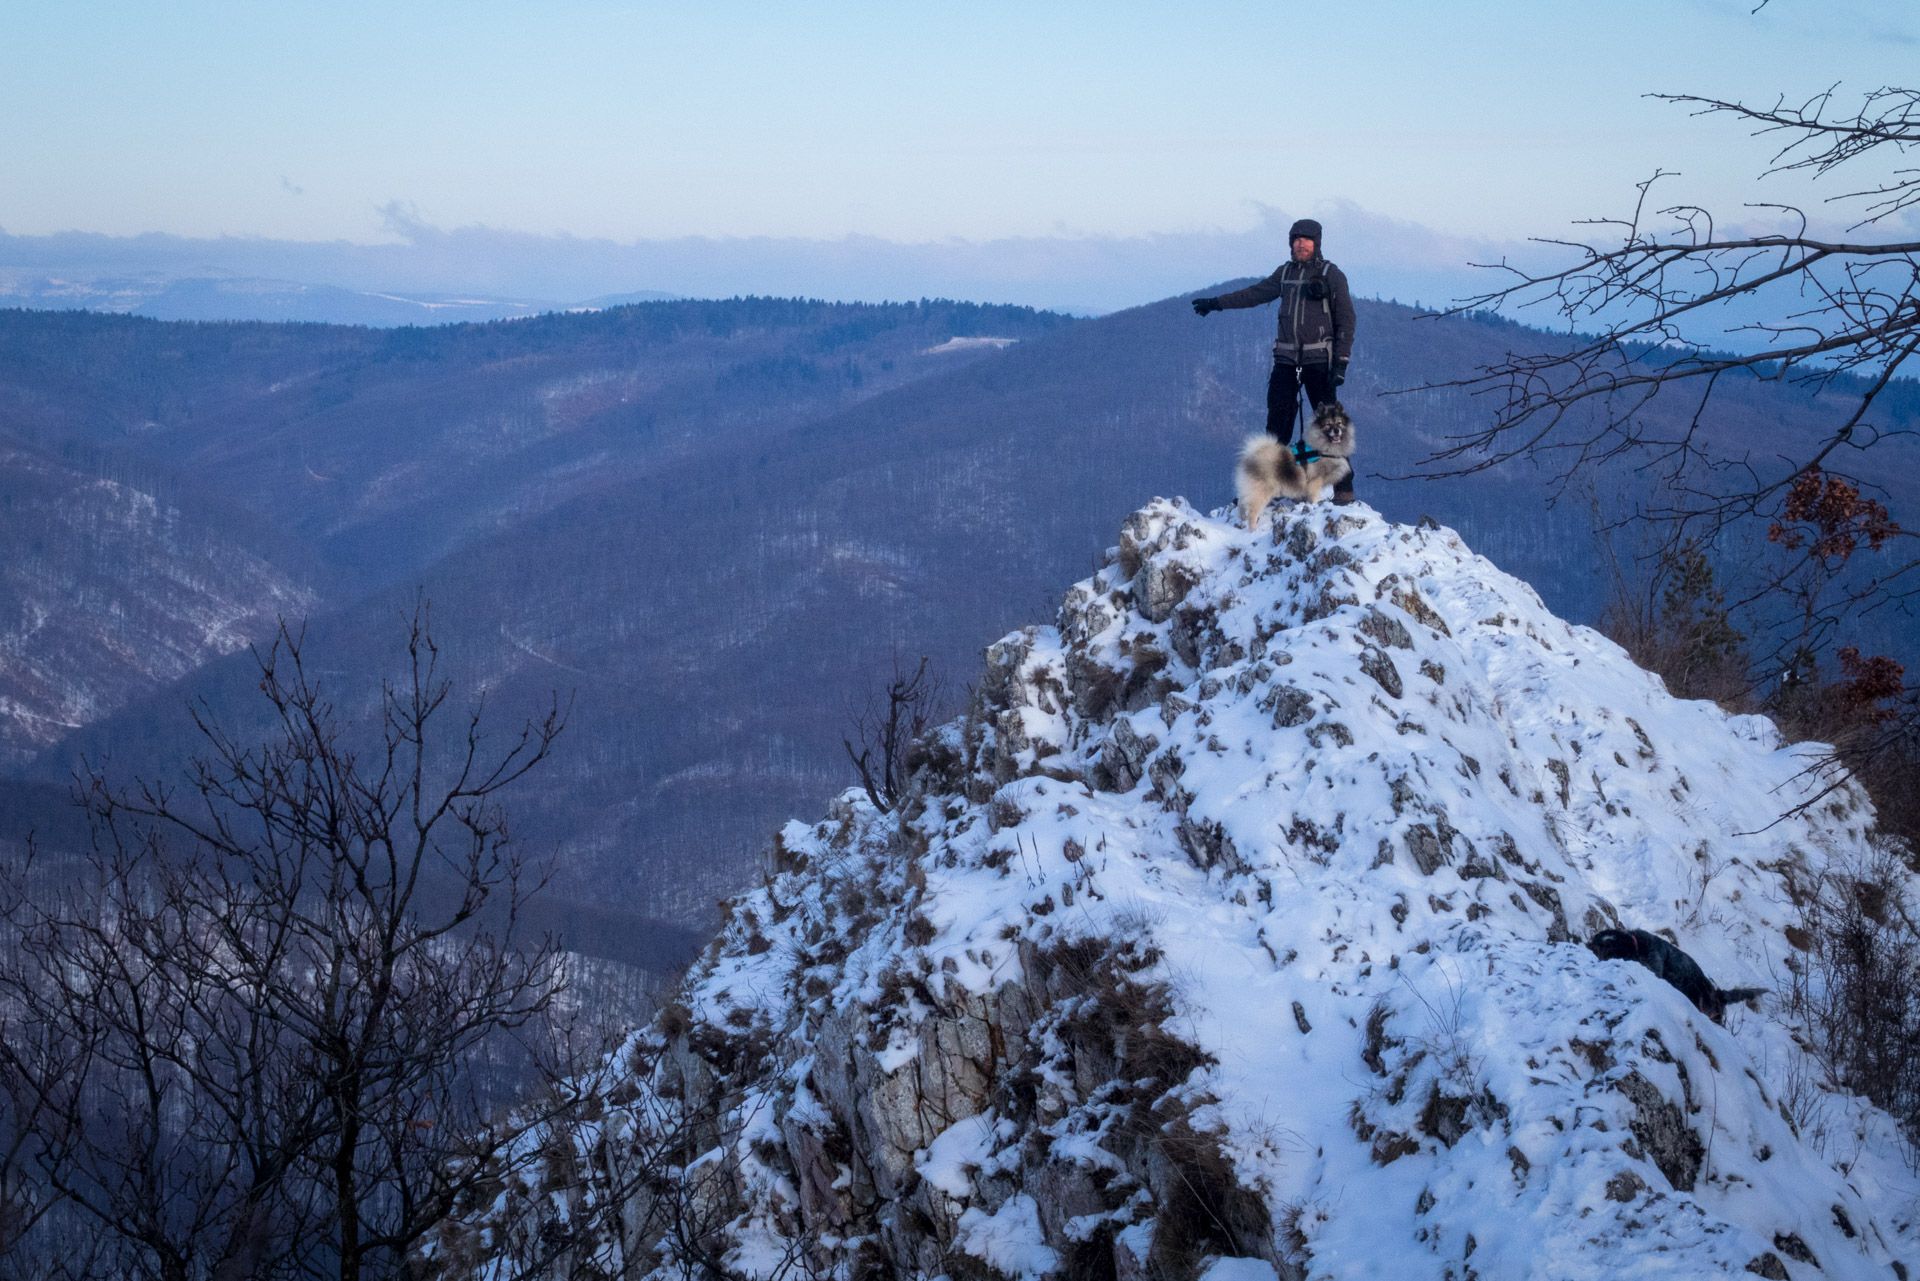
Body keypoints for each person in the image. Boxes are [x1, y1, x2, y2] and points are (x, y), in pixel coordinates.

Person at [1192, 218, 1359, 503]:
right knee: (1277, 426)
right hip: (1286, 360)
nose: (1300, 244)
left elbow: (1347, 319)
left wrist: (1340, 363)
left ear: (1316, 243)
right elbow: (1255, 294)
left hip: (1320, 361)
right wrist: (1217, 303)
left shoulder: (1332, 275)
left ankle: (1344, 489)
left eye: (1306, 239)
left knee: (1329, 428)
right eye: (1296, 239)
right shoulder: (1285, 273)